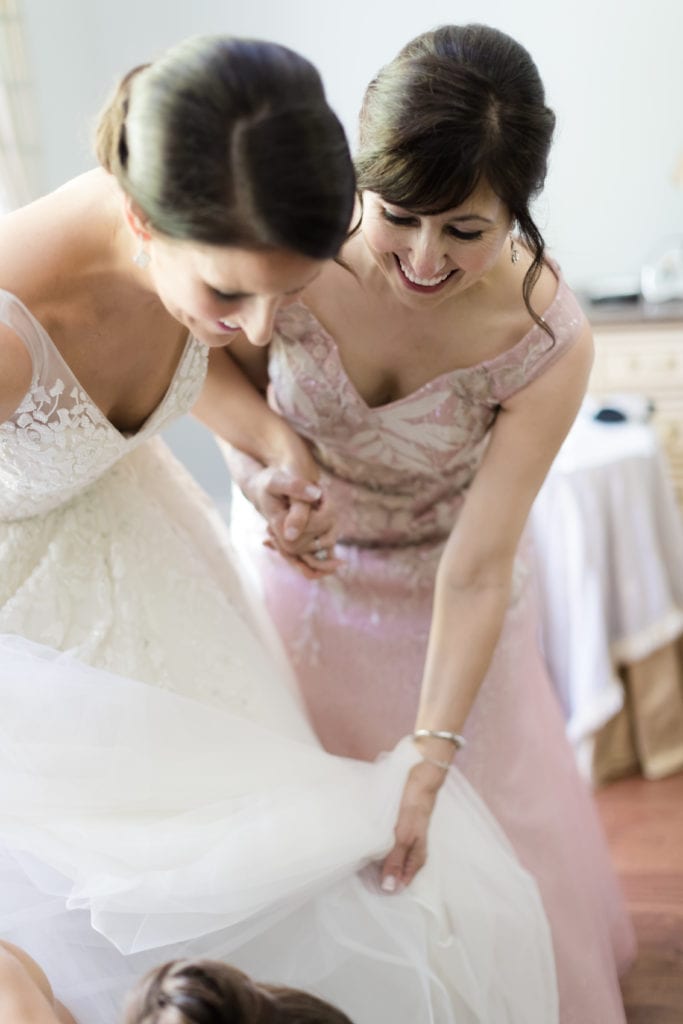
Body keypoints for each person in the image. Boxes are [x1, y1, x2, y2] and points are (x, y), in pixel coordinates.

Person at [0, 32, 558, 1024]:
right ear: (140, 218)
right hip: (36, 659)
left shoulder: (204, 215)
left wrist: (270, 450)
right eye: (229, 295)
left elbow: (148, 385)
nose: (260, 332)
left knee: (284, 879)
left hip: (160, 574)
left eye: (287, 295)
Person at [220, 23, 636, 1024]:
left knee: (464, 840)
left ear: (516, 211)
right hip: (299, 587)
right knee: (314, 851)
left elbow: (480, 563)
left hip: (453, 603)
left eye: (465, 229)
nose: (420, 257)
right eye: (397, 216)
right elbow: (208, 374)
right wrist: (269, 458)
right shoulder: (292, 244)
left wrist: (429, 753)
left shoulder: (542, 338)